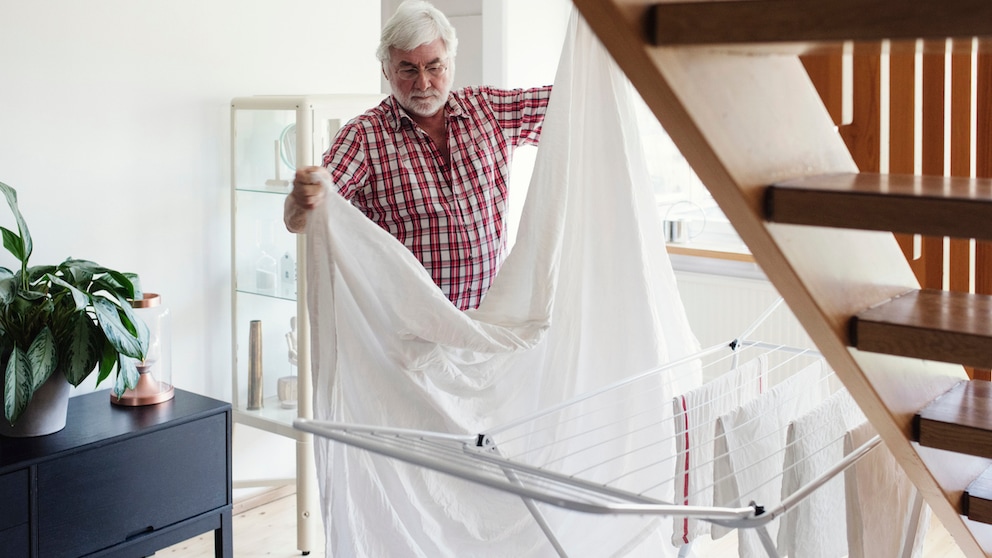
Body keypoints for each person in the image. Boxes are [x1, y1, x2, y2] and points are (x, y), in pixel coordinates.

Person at [285, 0, 552, 310]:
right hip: (409, 337)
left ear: (451, 62)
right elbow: (298, 221)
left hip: (486, 325)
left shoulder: (488, 109)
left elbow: (571, 102)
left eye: (434, 67)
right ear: (386, 69)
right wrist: (302, 198)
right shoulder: (363, 137)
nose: (424, 83)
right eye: (408, 69)